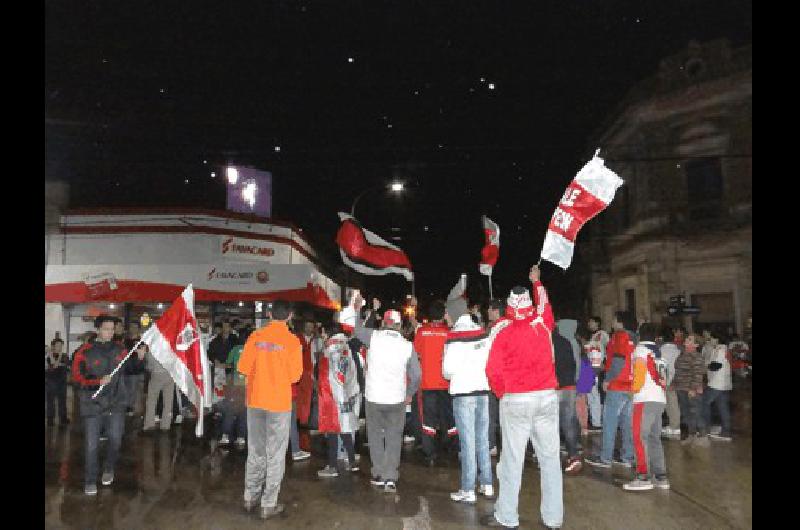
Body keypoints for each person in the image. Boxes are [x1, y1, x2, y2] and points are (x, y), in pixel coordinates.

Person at [481, 265, 562, 530]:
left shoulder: (502, 330)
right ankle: (553, 518)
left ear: (508, 306)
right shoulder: (542, 323)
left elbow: (492, 370)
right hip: (547, 397)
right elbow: (546, 306)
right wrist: (537, 283)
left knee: (512, 461)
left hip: (516, 399)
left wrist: (503, 393)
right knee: (550, 459)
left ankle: (507, 516)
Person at [238, 300, 303, 520]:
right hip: (278, 405)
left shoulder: (255, 337)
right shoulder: (293, 342)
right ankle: (268, 504)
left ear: (269, 314)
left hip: (255, 401)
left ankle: (249, 497)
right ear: (290, 316)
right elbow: (295, 376)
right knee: (275, 454)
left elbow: (243, 367)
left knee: (255, 451)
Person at [352, 298, 421, 494]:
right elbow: (416, 375)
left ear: (384, 323)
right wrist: (409, 394)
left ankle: (379, 473)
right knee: (393, 436)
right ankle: (391, 477)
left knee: (375, 436)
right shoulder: (408, 346)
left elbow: (356, 329)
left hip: (374, 397)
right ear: (399, 325)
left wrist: (358, 310)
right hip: (397, 399)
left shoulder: (373, 337)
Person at [72, 315, 147, 496]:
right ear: (98, 329)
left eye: (112, 329)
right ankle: (90, 480)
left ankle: (109, 468)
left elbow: (130, 369)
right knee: (92, 445)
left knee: (115, 439)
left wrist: (139, 359)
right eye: (106, 328)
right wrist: (97, 381)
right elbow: (76, 379)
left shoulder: (120, 349)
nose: (110, 332)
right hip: (93, 405)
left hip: (116, 403)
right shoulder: (84, 351)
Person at [443, 313, 494, 504]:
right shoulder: (483, 335)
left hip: (463, 393)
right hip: (482, 392)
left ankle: (467, 489)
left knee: (467, 443)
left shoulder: (453, 338)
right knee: (482, 439)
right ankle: (487, 484)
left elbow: (447, 371)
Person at [586, 311, 637, 470]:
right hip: (630, 386)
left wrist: (608, 379)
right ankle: (627, 457)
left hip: (617, 385)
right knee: (627, 423)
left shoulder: (619, 336)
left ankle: (606, 457)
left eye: (614, 320)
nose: (612, 323)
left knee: (609, 422)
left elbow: (617, 361)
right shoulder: (635, 337)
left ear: (620, 322)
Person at [623, 323, 670, 491]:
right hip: (659, 398)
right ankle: (660, 475)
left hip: (644, 399)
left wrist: (632, 391)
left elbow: (639, 376)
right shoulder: (659, 353)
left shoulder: (640, 351)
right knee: (654, 438)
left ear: (639, 335)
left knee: (639, 437)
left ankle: (643, 476)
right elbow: (665, 377)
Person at [316, 323, 361, 478]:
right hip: (347, 393)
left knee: (333, 429)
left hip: (333, 395)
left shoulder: (331, 349)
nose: (321, 336)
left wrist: (327, 396)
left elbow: (329, 376)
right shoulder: (346, 347)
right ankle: (352, 462)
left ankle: (333, 466)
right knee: (345, 428)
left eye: (322, 332)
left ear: (328, 333)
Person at [414, 299, 456, 466]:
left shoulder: (422, 332)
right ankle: (452, 447)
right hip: (446, 383)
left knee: (428, 419)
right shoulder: (449, 332)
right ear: (443, 315)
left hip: (427, 383)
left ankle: (430, 453)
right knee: (449, 417)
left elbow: (416, 354)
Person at [553, 319, 582, 475]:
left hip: (554, 388)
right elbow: (573, 364)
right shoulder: (567, 342)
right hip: (569, 387)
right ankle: (573, 455)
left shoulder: (546, 343)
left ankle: (552, 458)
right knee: (569, 423)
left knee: (551, 424)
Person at [673, 333, 708, 447]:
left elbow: (698, 374)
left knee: (696, 412)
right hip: (681, 388)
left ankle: (703, 437)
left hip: (691, 390)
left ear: (696, 344)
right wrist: (674, 383)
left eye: (690, 339)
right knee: (686, 414)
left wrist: (693, 388)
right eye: (687, 338)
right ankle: (692, 435)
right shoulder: (683, 354)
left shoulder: (696, 356)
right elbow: (678, 371)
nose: (686, 340)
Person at [485, 299, 509, 457]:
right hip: (509, 378)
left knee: (491, 414)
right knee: (506, 416)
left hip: (496, 378)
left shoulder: (496, 329)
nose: (487, 312)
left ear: (495, 311)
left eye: (489, 309)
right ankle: (508, 446)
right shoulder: (510, 325)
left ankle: (492, 445)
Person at [219, 328, 251, 448]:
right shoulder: (253, 350)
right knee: (244, 411)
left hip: (235, 385)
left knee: (230, 410)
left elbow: (228, 364)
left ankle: (225, 436)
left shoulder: (235, 349)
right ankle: (241, 437)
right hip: (248, 385)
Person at [701, 331, 734, 442]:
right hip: (723, 383)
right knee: (723, 407)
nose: (710, 340)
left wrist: (705, 367)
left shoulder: (720, 349)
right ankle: (726, 431)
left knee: (704, 402)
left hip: (717, 383)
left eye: (712, 338)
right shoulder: (724, 349)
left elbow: (716, 365)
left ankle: (706, 428)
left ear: (717, 339)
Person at [142, 342, 175, 432]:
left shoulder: (153, 347)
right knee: (168, 401)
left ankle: (149, 424)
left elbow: (149, 365)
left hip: (156, 374)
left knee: (152, 400)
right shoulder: (171, 346)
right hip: (170, 375)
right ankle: (166, 425)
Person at [584, 316, 609, 433]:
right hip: (590, 366)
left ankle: (597, 423)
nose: (589, 323)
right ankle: (595, 421)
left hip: (595, 367)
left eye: (591, 322)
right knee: (591, 394)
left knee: (595, 395)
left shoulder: (601, 334)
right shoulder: (594, 336)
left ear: (597, 323)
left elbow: (599, 349)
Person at [659, 328, 683, 438]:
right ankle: (675, 426)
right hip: (674, 380)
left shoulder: (660, 351)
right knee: (673, 404)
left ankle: (667, 426)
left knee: (663, 405)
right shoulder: (678, 350)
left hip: (663, 380)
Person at [45, 338, 70, 426]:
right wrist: (52, 355)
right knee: (50, 402)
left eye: (61, 345)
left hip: (62, 382)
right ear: (53, 346)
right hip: (51, 382)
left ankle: (63, 419)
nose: (59, 347)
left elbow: (63, 365)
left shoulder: (65, 356)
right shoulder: (48, 356)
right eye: (57, 345)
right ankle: (50, 420)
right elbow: (54, 365)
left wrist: (58, 357)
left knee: (62, 401)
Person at [574, 333, 594, 438]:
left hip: (578, 386)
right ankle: (584, 427)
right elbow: (590, 373)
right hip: (584, 387)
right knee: (584, 407)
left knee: (578, 407)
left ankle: (581, 427)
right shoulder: (585, 358)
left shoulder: (576, 358)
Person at [124, 322, 145, 418]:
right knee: (127, 390)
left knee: (135, 391)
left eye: (135, 327)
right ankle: (128, 407)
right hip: (126, 369)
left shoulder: (141, 341)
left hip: (137, 370)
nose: (133, 329)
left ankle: (132, 409)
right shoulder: (126, 341)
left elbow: (143, 356)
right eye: (132, 327)